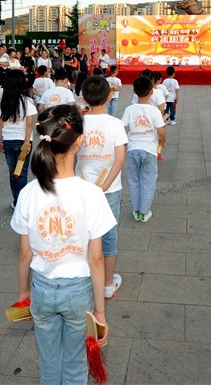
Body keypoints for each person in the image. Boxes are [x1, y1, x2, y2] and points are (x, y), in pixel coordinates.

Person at [10, 104, 114, 384]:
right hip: (79, 291)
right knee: (75, 364)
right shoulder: (92, 194)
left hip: (41, 288)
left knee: (49, 361)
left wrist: (24, 295)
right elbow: (95, 259)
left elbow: (24, 254)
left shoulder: (29, 192)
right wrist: (101, 312)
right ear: (79, 141)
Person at [77, 76, 128, 300]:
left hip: (81, 189)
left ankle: (84, 277)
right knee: (108, 236)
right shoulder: (115, 124)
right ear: (110, 95)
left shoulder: (79, 123)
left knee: (82, 233)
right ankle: (107, 283)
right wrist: (105, 186)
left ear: (83, 97)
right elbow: (119, 159)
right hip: (110, 190)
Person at [121, 76, 166, 222]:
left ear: (134, 91)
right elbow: (161, 130)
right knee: (148, 182)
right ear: (152, 91)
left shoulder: (130, 109)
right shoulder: (154, 111)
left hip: (133, 149)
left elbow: (122, 127)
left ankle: (136, 210)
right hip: (149, 150)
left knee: (134, 181)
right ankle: (144, 212)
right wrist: (162, 140)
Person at [0, 69, 37, 209]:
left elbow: (0, 122)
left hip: (8, 140)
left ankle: (16, 201)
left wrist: (0, 141)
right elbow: (30, 124)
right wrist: (26, 143)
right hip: (22, 141)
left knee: (12, 172)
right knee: (21, 173)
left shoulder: (4, 100)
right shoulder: (27, 101)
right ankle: (21, 203)